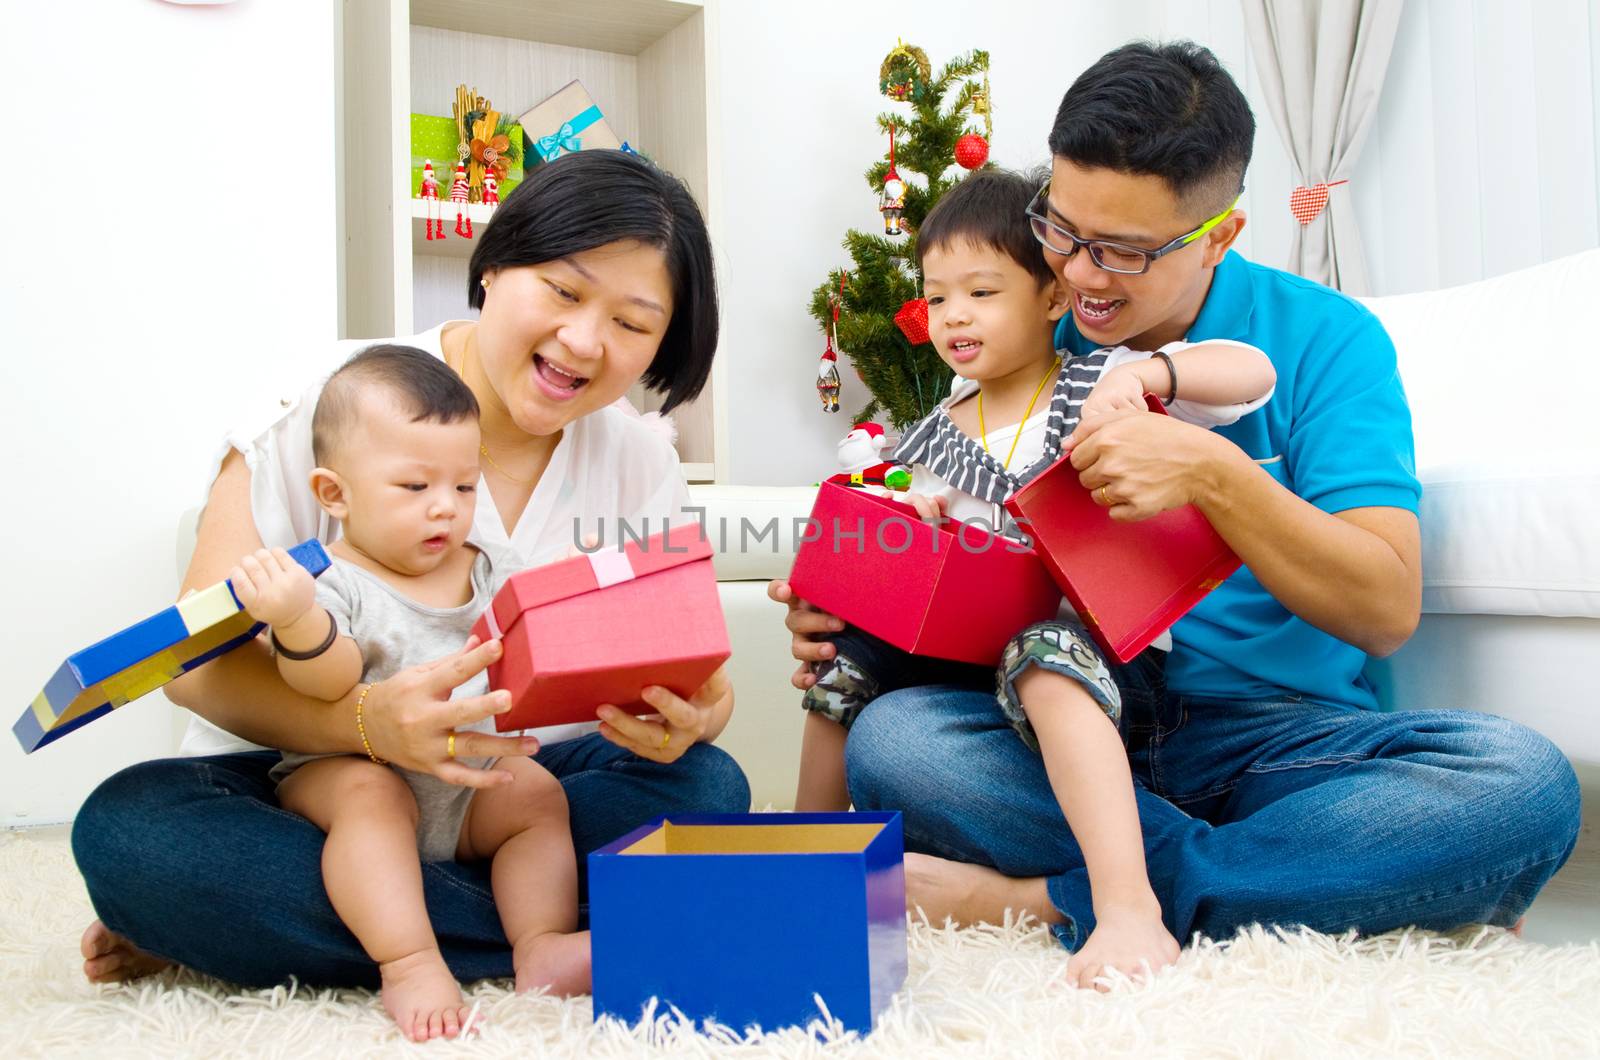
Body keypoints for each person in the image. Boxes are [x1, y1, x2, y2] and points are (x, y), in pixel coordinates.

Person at [770, 41, 1582, 991]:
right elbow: (954, 539)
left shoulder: (1324, 341)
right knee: (898, 743)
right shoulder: (1028, 337)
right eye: (1062, 232)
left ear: (1221, 234)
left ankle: (1045, 899)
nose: (1081, 276)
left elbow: (1385, 606)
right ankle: (1320, 883)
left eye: (1123, 252)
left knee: (1521, 785)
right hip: (1065, 729)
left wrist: (1214, 474)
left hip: (1280, 740)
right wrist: (855, 601)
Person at [73, 150, 750, 1000]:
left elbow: (698, 672)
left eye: (633, 321)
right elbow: (193, 667)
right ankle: (530, 936)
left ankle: (253, 931)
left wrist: (697, 714)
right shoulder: (331, 399)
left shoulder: (639, 455)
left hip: (510, 787)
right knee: (132, 835)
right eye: (565, 291)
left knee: (711, 791)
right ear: (497, 263)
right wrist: (365, 723)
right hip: (312, 787)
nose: (584, 341)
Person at [795, 169, 1276, 978]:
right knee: (845, 661)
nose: (955, 316)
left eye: (981, 292)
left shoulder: (1095, 383)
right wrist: (883, 547)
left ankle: (1127, 905)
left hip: (1096, 657)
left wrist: (1147, 375)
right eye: (938, 296)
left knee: (1046, 653)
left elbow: (1250, 373)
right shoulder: (922, 439)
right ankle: (804, 860)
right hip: (966, 668)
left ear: (1054, 298)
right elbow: (886, 547)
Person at [231, 345, 588, 1040]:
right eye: (415, 488)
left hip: (463, 787)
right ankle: (409, 958)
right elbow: (325, 680)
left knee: (536, 791)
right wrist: (296, 617)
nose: (445, 510)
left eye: (463, 487)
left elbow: (536, 648)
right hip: (352, 778)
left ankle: (540, 943)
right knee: (372, 795)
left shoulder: (488, 567)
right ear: (335, 494)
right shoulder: (330, 580)